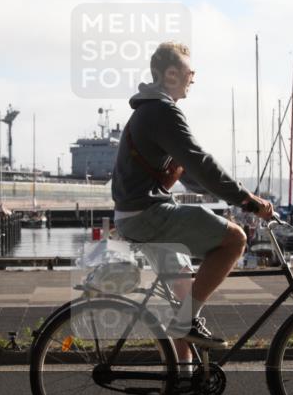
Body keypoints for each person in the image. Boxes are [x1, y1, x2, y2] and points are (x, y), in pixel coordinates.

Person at [111, 41, 273, 368]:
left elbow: (192, 175)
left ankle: (184, 376)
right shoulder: (162, 111)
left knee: (184, 296)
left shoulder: (150, 110)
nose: (193, 77)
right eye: (190, 70)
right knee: (235, 240)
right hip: (148, 213)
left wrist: (230, 196)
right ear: (172, 73)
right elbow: (201, 163)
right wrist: (247, 200)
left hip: (136, 213)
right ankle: (187, 325)